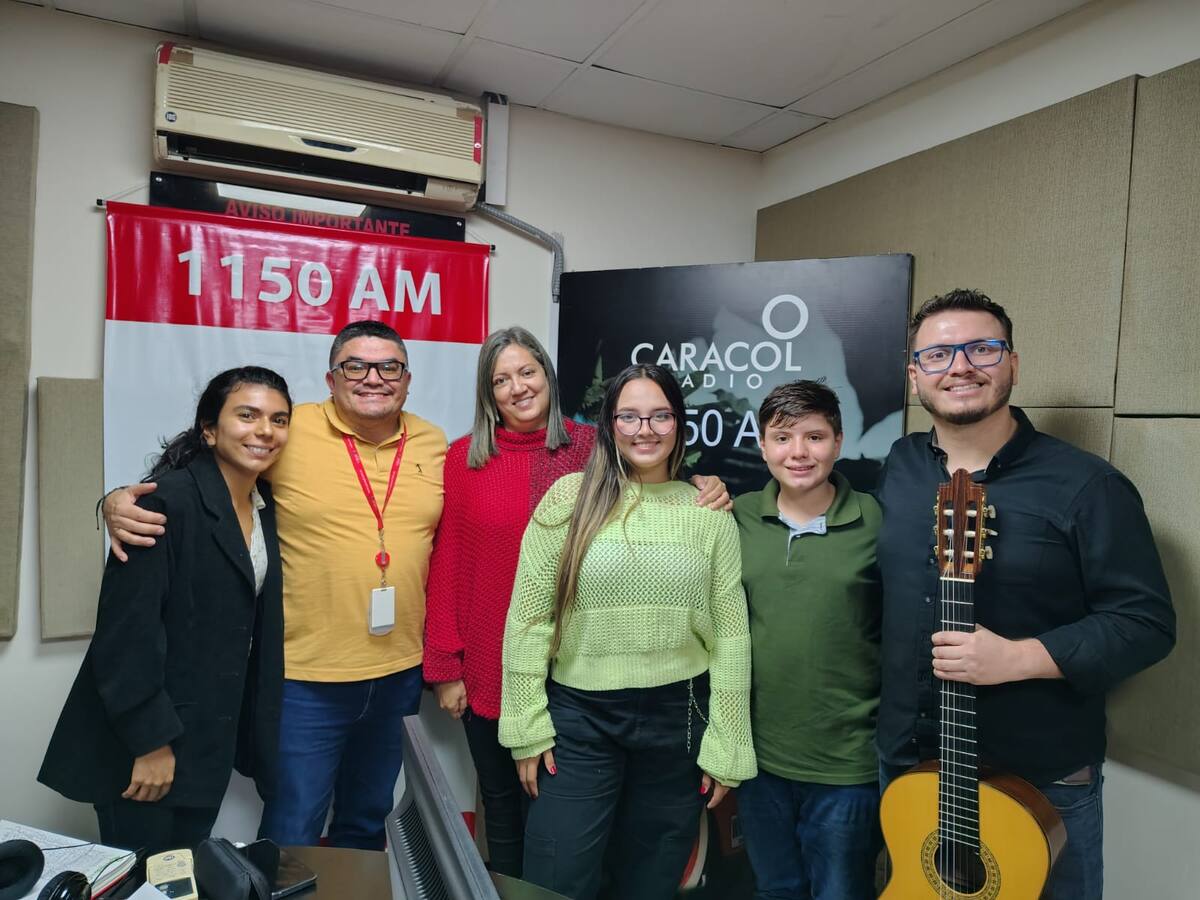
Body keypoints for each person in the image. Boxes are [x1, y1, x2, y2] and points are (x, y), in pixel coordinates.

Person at [875, 288, 1175, 899]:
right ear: (914, 377)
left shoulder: (1089, 485)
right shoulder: (899, 466)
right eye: (937, 355)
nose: (960, 366)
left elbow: (1145, 622)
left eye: (982, 348)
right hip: (910, 762)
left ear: (1013, 362)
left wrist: (1018, 657)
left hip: (1040, 779)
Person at [102, 320, 447, 850]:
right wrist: (117, 500)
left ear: (407, 379)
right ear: (331, 379)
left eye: (388, 367)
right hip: (304, 677)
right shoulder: (290, 430)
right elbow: (202, 474)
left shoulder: (432, 441)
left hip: (399, 672)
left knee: (368, 819)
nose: (372, 377)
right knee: (293, 827)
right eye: (355, 365)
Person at [423, 327, 732, 878]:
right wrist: (447, 665)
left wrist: (708, 486)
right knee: (514, 816)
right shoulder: (465, 459)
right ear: (487, 393)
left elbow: (657, 496)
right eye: (501, 379)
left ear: (549, 375)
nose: (518, 387)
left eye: (527, 372)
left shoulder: (591, 446)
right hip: (507, 664)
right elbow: (449, 562)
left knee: (612, 842)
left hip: (607, 682)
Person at [498, 363, 756, 900]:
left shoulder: (707, 511)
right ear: (608, 424)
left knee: (651, 882)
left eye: (661, 415)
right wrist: (524, 723)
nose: (646, 430)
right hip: (579, 719)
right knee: (556, 878)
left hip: (678, 718)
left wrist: (728, 738)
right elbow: (528, 618)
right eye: (630, 416)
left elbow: (731, 636)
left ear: (679, 424)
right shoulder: (569, 499)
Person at [39, 367, 291, 854]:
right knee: (141, 882)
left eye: (278, 419)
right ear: (209, 428)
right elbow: (125, 634)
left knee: (182, 878)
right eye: (248, 415)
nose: (265, 430)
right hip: (148, 743)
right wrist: (150, 743)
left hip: (205, 740)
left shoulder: (264, 505)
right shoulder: (164, 503)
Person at [732, 380, 882, 900]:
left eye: (814, 437)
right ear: (761, 444)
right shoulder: (735, 516)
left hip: (847, 764)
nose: (798, 453)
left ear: (838, 442)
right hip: (758, 761)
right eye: (783, 438)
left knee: (841, 893)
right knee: (776, 890)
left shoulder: (877, 521)